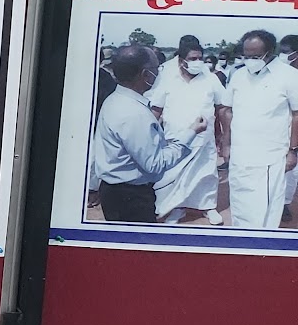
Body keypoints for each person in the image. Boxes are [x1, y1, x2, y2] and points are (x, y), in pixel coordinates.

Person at [92, 45, 208, 222]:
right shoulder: (133, 113)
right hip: (131, 197)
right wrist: (190, 133)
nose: (159, 73)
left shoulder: (117, 99)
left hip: (117, 191)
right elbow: (155, 164)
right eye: (157, 69)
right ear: (145, 74)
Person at [220, 30, 298, 228]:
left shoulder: (290, 76)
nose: (250, 60)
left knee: (267, 210)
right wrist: (226, 143)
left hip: (272, 157)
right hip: (241, 154)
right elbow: (227, 111)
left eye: (255, 56)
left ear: (270, 52)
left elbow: (297, 115)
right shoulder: (238, 75)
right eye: (247, 55)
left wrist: (292, 150)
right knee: (240, 205)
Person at [148, 36, 228, 225]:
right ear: (181, 60)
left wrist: (224, 135)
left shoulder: (210, 79)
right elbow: (156, 109)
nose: (197, 62)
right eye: (193, 59)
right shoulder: (167, 78)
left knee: (206, 173)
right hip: (174, 139)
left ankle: (208, 207)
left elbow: (222, 107)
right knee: (175, 175)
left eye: (200, 58)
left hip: (203, 139)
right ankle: (177, 208)